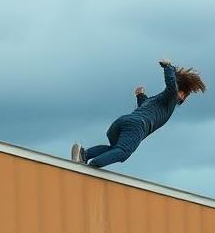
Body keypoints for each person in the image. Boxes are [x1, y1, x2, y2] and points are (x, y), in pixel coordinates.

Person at [71, 60, 206, 168]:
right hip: (137, 126)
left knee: (115, 149)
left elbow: (144, 105)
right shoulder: (171, 98)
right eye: (185, 96)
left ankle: (84, 154)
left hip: (121, 122)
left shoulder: (155, 100)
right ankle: (93, 166)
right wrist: (168, 67)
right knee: (123, 152)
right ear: (182, 93)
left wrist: (140, 95)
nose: (183, 100)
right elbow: (172, 87)